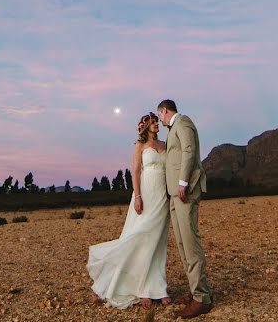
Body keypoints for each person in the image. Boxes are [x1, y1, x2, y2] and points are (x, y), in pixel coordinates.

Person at [87, 113, 171, 309]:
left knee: (158, 241)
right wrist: (138, 196)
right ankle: (141, 288)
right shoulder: (140, 146)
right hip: (146, 194)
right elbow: (135, 171)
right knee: (141, 237)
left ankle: (158, 287)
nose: (157, 124)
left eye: (157, 121)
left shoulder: (165, 145)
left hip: (162, 196)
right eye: (153, 122)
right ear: (146, 126)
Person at [158, 99, 214, 318]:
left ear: (164, 110)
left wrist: (182, 182)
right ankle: (195, 291)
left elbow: (189, 151)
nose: (160, 119)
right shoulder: (174, 128)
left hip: (185, 191)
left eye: (159, 115)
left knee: (190, 243)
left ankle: (203, 298)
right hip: (175, 194)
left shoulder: (183, 123)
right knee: (182, 243)